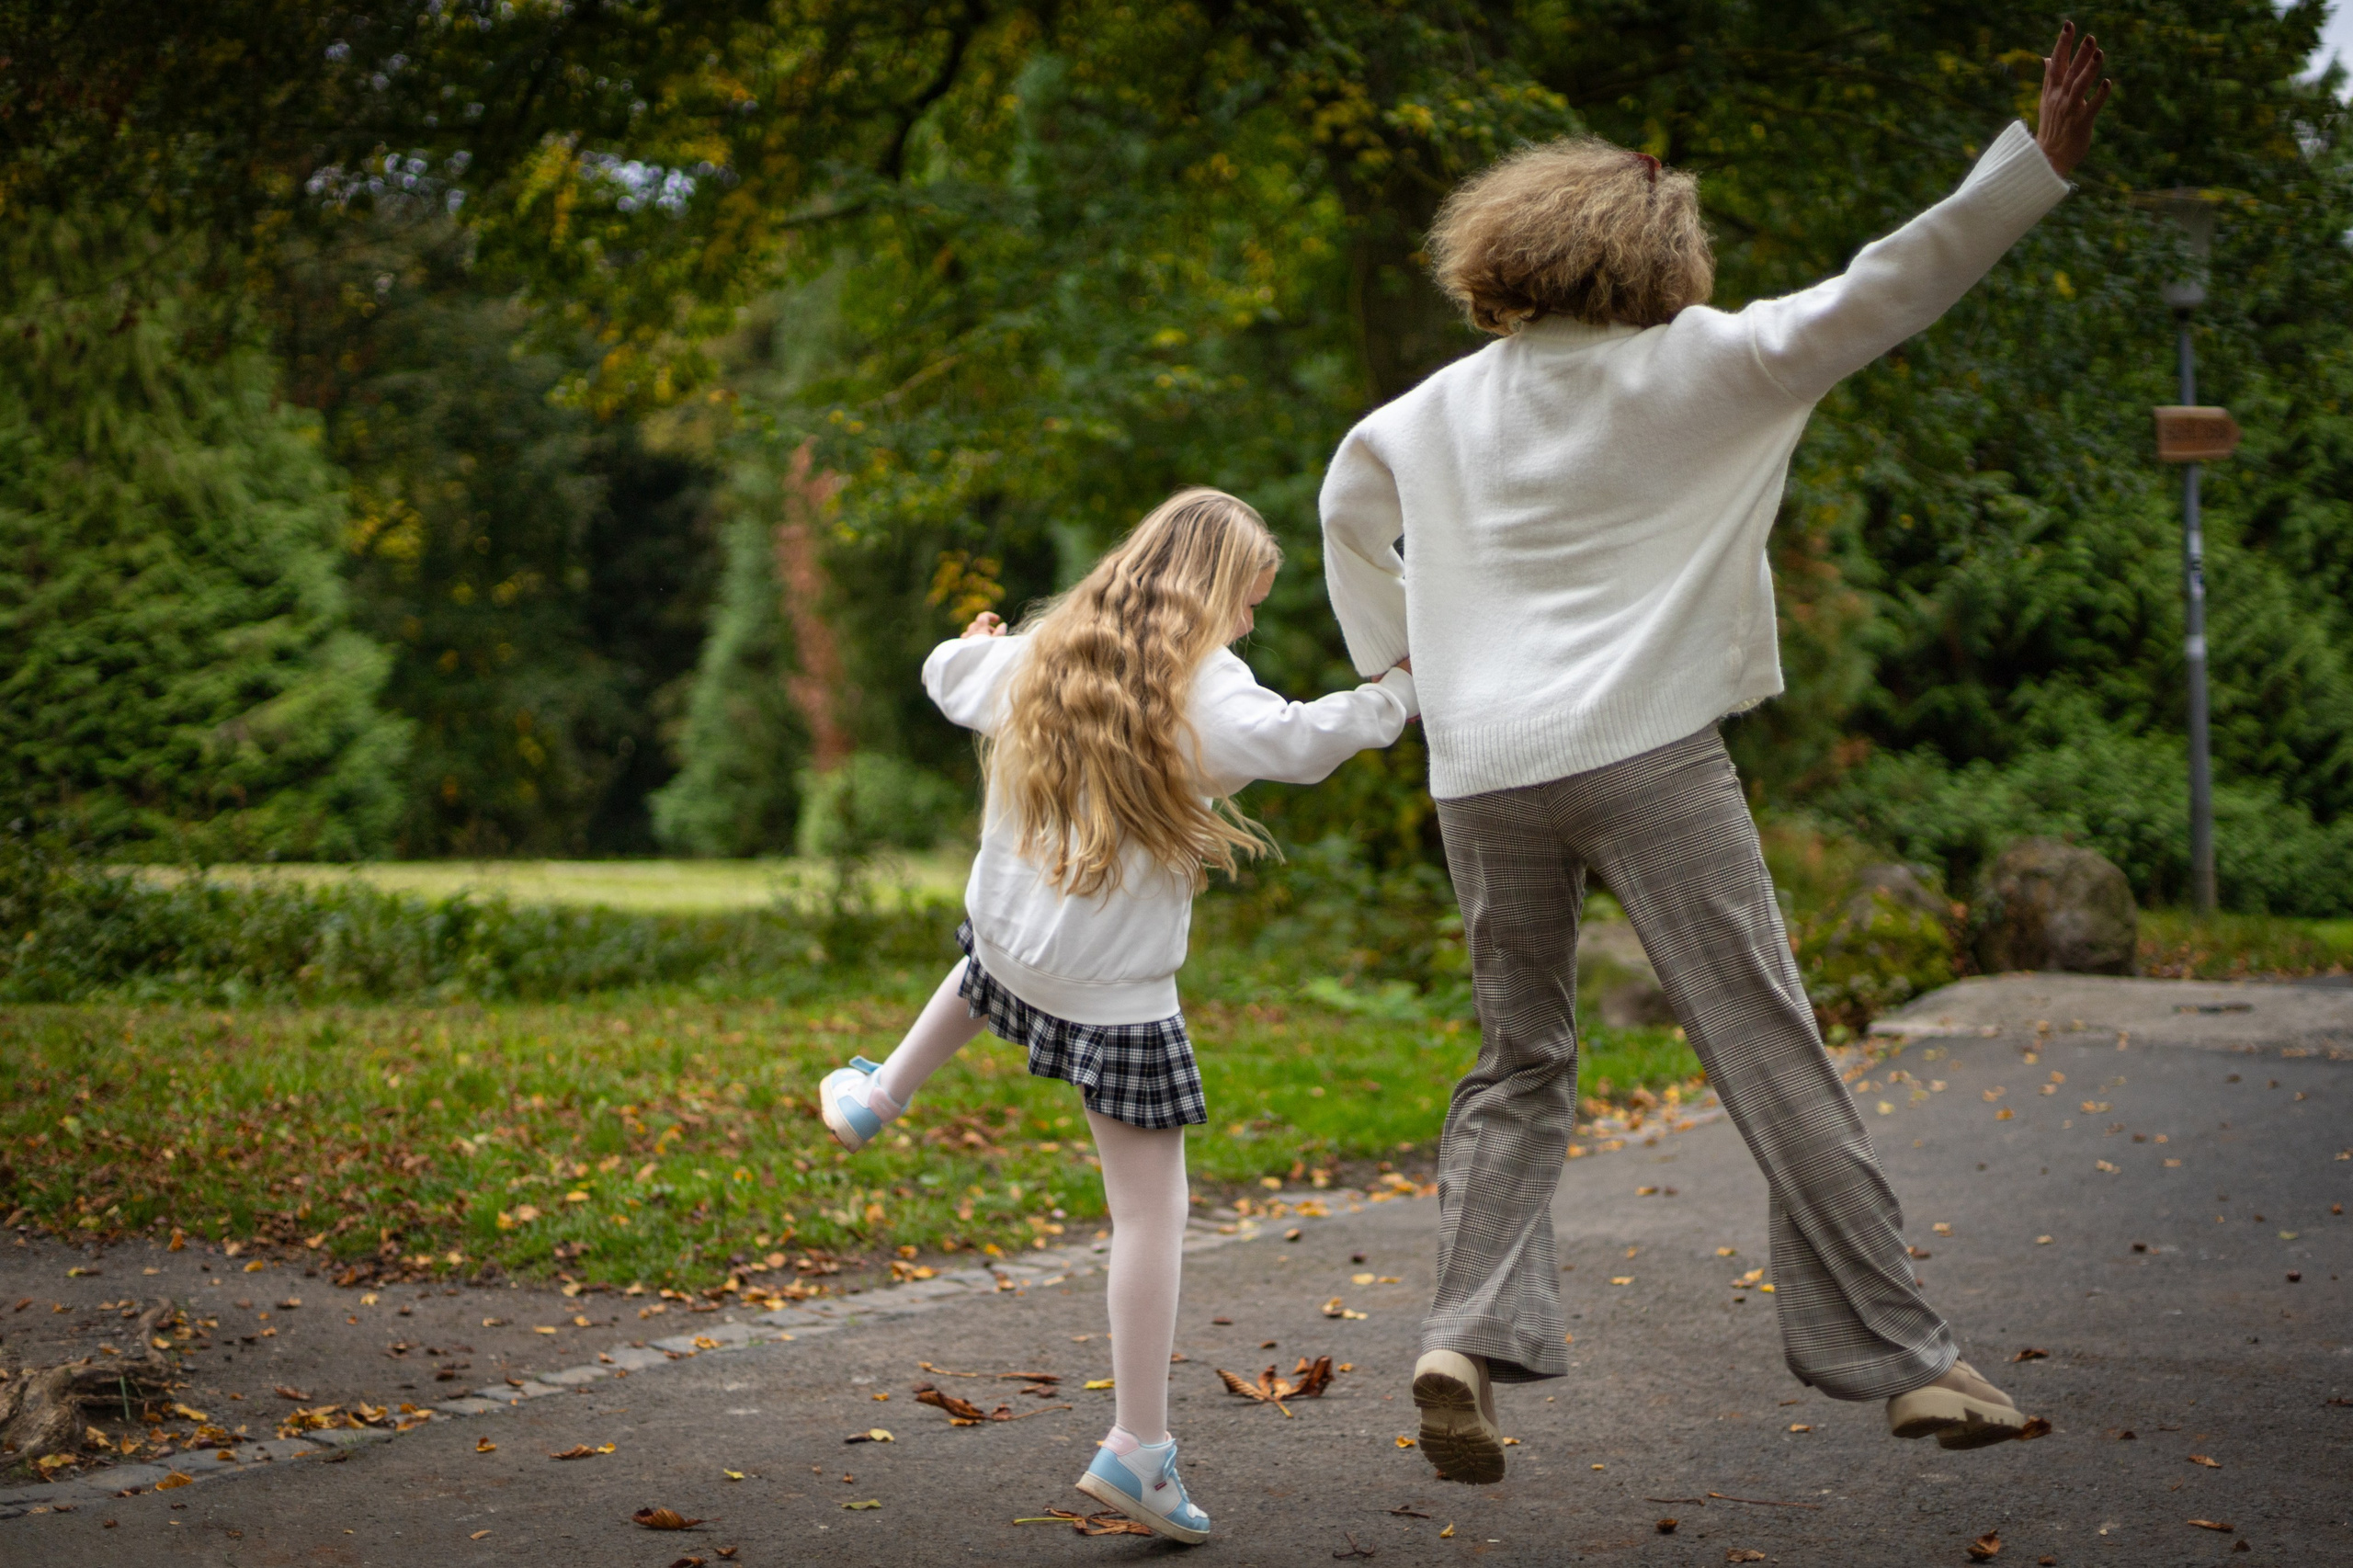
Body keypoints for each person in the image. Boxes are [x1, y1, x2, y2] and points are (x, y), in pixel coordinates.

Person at [1317, 28, 2112, 1483]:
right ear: (1656, 258)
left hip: (1481, 777)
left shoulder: (1424, 412)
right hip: (1645, 758)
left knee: (1519, 1058)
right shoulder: (1715, 364)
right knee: (1765, 1046)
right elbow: (1891, 282)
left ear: (1509, 252)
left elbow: (1344, 508)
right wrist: (2032, 173)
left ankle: (1460, 1338)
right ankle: (1914, 1362)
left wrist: (1399, 672)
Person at [815, 487, 1417, 1543]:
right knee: (1150, 1214)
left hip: (1010, 941)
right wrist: (1400, 694)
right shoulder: (1211, 694)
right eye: (1245, 603)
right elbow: (1304, 738)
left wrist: (972, 639)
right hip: (1114, 995)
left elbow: (946, 674)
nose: (1244, 626)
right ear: (1210, 594)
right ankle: (1137, 1446)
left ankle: (877, 1092)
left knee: (984, 977)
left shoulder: (1046, 650)